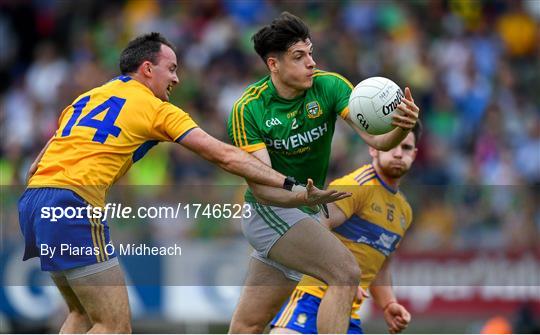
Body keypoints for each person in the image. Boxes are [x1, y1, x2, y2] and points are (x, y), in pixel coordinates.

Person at [18, 32, 347, 333]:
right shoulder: (156, 108)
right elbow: (225, 156)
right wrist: (290, 185)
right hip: (73, 203)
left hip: (34, 202)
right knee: (114, 326)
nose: (176, 77)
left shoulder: (87, 98)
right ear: (147, 69)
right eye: (171, 68)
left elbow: (37, 163)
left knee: (81, 314)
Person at [227, 12, 420, 333]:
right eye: (299, 57)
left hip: (304, 211)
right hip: (269, 211)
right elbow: (262, 186)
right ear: (273, 64)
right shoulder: (249, 108)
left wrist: (402, 127)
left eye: (311, 53)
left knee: (249, 324)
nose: (311, 63)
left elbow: (376, 139)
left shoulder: (329, 86)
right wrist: (302, 195)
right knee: (345, 271)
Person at [270, 123, 421, 334]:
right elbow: (315, 224)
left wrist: (388, 304)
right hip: (312, 298)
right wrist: (344, 276)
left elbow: (381, 266)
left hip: (347, 313)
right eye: (391, 145)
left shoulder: (404, 211)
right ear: (374, 148)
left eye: (405, 148)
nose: (398, 153)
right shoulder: (357, 186)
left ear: (414, 155)